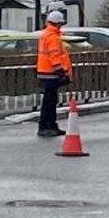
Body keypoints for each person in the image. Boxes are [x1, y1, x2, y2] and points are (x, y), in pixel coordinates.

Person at [35, 8, 74, 136]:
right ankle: (45, 126)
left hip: (45, 72)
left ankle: (50, 125)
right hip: (51, 73)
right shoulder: (53, 37)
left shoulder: (46, 34)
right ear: (58, 23)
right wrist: (61, 73)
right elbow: (54, 56)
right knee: (49, 102)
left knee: (50, 100)